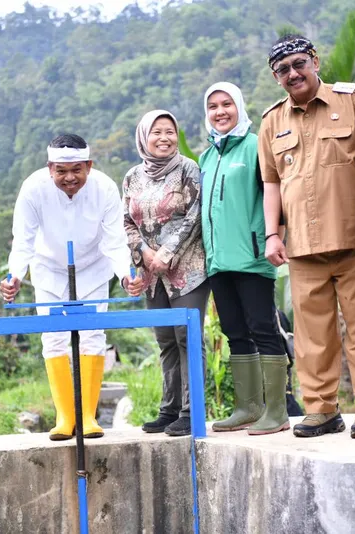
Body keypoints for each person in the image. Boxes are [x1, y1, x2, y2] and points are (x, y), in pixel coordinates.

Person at [258, 34, 355, 439]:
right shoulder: (271, 121)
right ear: (275, 77)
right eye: (283, 70)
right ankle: (321, 409)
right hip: (302, 246)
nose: (293, 73)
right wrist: (271, 235)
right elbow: (271, 184)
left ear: (314, 61)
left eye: (299, 63)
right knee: (312, 334)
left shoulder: (353, 100)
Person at [0, 134, 144, 441]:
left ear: (89, 166)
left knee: (93, 336)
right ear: (49, 167)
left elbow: (114, 240)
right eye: (61, 171)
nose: (69, 178)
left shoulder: (104, 188)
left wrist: (125, 275)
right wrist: (14, 276)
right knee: (53, 338)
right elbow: (22, 239)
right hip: (48, 268)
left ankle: (88, 416)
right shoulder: (32, 189)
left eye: (76, 170)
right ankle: (65, 417)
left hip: (93, 268)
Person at [199, 82, 289, 436]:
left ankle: (277, 410)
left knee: (263, 329)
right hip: (218, 261)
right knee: (234, 331)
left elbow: (275, 192)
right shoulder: (207, 157)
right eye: (213, 107)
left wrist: (274, 235)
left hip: (252, 256)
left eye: (227, 104)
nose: (220, 112)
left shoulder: (255, 146)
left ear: (239, 107)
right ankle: (247, 407)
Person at [123, 110, 210, 437]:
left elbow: (195, 215)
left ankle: (191, 411)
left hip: (187, 268)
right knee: (165, 341)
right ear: (144, 137)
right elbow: (127, 221)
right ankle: (169, 409)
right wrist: (144, 253)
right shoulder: (132, 176)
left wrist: (167, 252)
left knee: (187, 337)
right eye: (156, 132)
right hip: (150, 274)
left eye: (169, 131)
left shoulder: (188, 169)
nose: (164, 137)